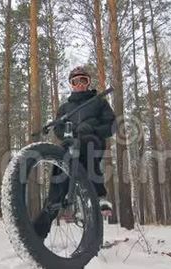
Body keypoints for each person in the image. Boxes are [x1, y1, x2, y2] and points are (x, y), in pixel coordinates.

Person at [33, 66, 116, 239]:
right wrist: (65, 133)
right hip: (70, 146)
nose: (79, 84)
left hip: (91, 141)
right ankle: (42, 224)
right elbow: (58, 129)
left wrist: (91, 127)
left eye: (83, 81)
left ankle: (99, 196)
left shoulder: (99, 102)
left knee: (88, 144)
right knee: (59, 162)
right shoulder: (65, 108)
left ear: (88, 83)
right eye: (75, 81)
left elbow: (111, 125)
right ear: (71, 84)